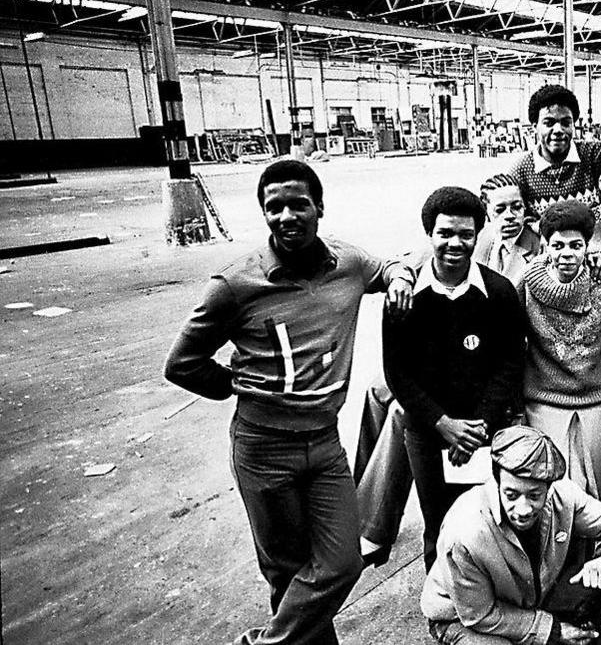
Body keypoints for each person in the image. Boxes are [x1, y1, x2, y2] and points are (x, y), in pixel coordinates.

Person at [164, 159, 415, 645]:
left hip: (323, 446)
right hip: (263, 448)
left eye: (298, 204)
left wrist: (402, 275)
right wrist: (232, 385)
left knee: (341, 563)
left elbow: (389, 266)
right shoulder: (234, 285)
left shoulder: (348, 264)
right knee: (288, 573)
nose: (286, 216)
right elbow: (181, 363)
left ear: (319, 207)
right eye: (273, 207)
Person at [383, 185, 527, 571]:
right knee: (439, 523)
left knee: (488, 521)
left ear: (479, 234)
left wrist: (478, 425)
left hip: (484, 429)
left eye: (466, 234)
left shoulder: (498, 293)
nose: (455, 243)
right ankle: (443, 604)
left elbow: (510, 363)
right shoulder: (405, 297)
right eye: (445, 233)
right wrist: (443, 424)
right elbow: (397, 373)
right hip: (428, 432)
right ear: (430, 234)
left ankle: (489, 598)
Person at [422, 425, 601, 645]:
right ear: (496, 483)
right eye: (511, 495)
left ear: (548, 487)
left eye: (535, 495)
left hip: (523, 601)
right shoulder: (463, 532)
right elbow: (479, 616)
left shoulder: (563, 494)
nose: (523, 509)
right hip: (461, 617)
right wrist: (553, 631)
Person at [518, 200, 601, 503]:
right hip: (546, 400)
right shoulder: (527, 286)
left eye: (576, 245)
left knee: (595, 492)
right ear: (544, 245)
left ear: (588, 246)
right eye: (557, 245)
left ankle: (594, 551)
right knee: (554, 491)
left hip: (597, 399)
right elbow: (511, 349)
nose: (567, 254)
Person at [508, 84, 601, 283]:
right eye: (549, 122)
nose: (558, 130)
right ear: (534, 127)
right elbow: (515, 223)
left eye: (565, 122)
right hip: (554, 267)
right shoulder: (520, 171)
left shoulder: (596, 155)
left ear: (574, 125)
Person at [475, 173, 542, 284]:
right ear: (486, 212)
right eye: (500, 210)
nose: (509, 215)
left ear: (525, 207)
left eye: (516, 207)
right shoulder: (480, 238)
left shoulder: (539, 248)